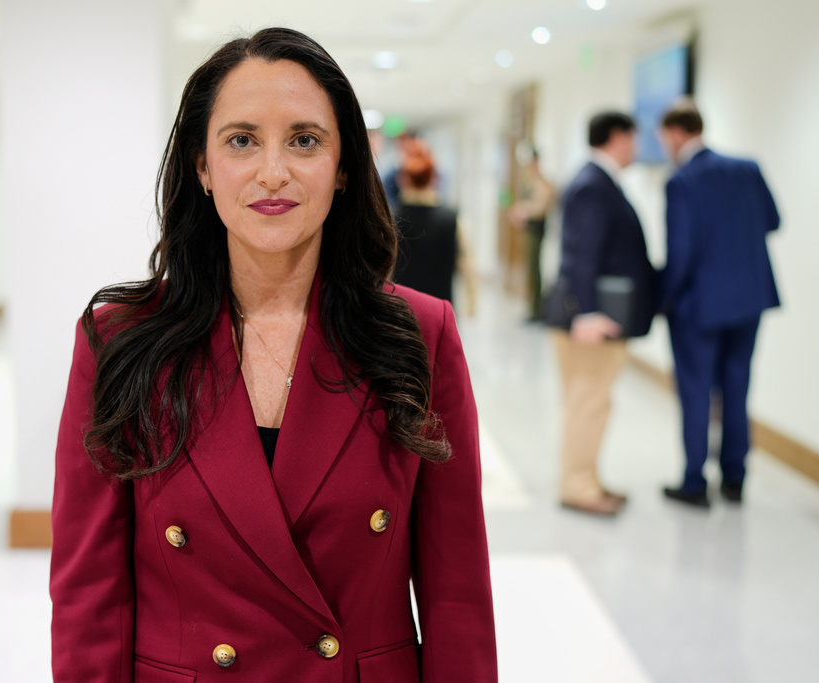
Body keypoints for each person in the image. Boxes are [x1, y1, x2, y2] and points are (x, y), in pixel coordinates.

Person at [50, 28, 497, 682]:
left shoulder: (420, 334)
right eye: (241, 140)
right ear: (202, 166)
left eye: (305, 140)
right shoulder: (119, 340)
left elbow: (457, 592)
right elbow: (89, 595)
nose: (273, 172)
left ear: (343, 166)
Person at [658, 101, 780, 508]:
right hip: (749, 300)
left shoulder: (681, 181)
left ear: (675, 133)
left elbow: (682, 252)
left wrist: (663, 300)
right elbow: (772, 220)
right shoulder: (747, 168)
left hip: (700, 308)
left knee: (695, 391)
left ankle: (694, 482)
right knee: (737, 386)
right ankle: (734, 476)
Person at [545, 112, 655, 516]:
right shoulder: (593, 185)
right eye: (634, 137)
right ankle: (577, 486)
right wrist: (586, 313)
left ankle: (587, 479)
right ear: (617, 137)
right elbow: (581, 255)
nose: (638, 147)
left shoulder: (599, 181)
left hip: (600, 319)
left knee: (594, 403)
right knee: (586, 403)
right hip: (591, 322)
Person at [391, 139, 477, 312]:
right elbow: (467, 263)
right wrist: (472, 301)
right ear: (433, 177)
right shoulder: (453, 218)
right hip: (441, 311)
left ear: (403, 178)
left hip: (399, 313)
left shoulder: (390, 218)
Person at [507, 150, 555, 321]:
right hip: (528, 231)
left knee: (534, 270)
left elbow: (540, 208)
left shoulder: (543, 184)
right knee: (529, 270)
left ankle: (537, 309)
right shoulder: (529, 182)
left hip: (536, 232)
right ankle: (532, 307)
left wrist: (523, 211)